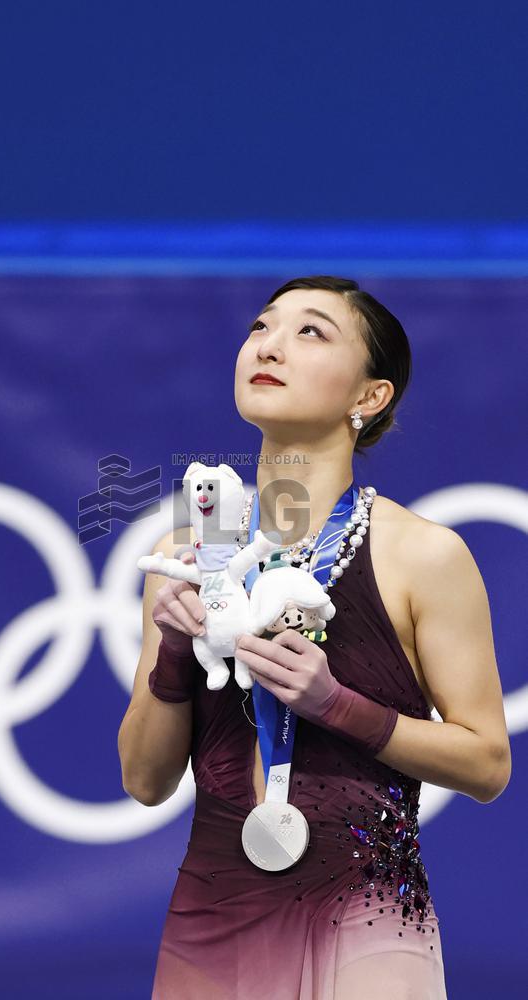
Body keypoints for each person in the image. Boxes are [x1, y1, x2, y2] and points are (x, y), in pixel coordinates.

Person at [117, 276, 511, 999]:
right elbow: (145, 782)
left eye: (310, 332)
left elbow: (487, 764)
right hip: (214, 915)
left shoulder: (424, 555)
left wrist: (336, 705)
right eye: (261, 326)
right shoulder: (187, 554)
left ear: (370, 396)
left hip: (371, 915)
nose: (269, 345)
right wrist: (175, 656)